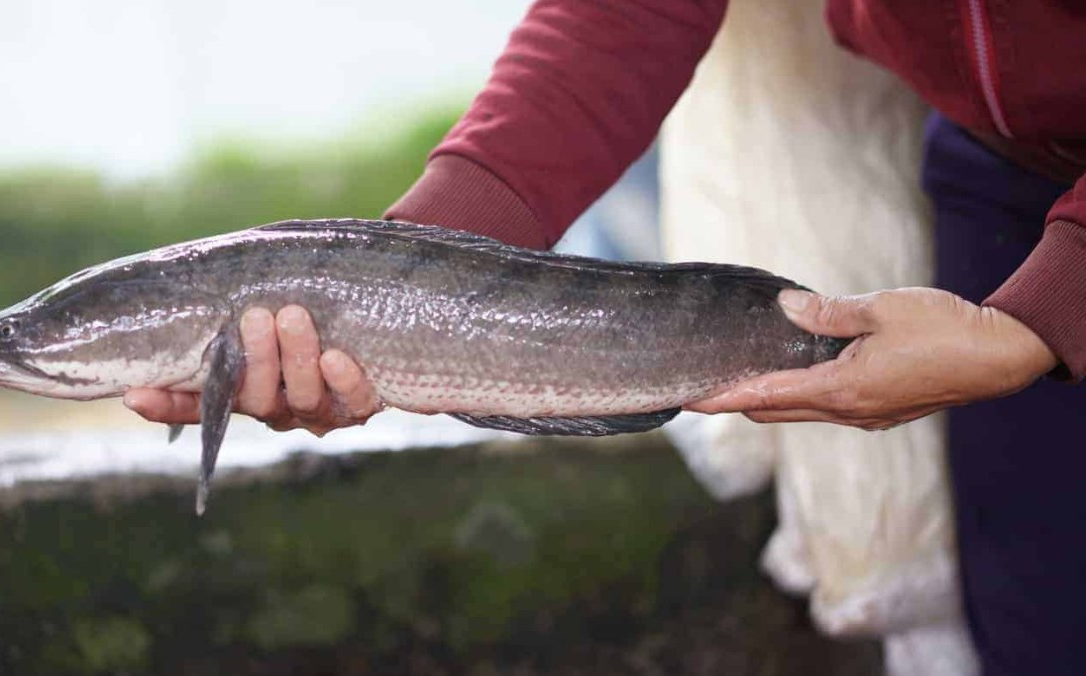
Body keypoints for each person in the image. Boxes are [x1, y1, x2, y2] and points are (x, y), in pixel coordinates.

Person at [124, 1, 1086, 672]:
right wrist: (401, 276)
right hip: (999, 171)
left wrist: (1049, 307)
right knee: (1039, 609)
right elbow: (625, 15)